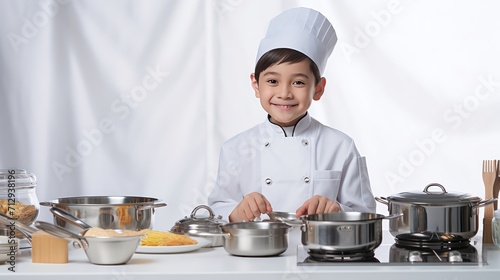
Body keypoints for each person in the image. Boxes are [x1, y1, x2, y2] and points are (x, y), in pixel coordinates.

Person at [208, 7, 376, 222]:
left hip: (320, 253)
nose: (284, 93)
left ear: (318, 88)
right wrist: (236, 212)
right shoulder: (235, 149)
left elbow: (366, 215)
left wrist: (336, 209)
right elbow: (216, 209)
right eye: (272, 81)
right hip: (256, 253)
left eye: (298, 82)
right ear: (255, 84)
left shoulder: (341, 146)